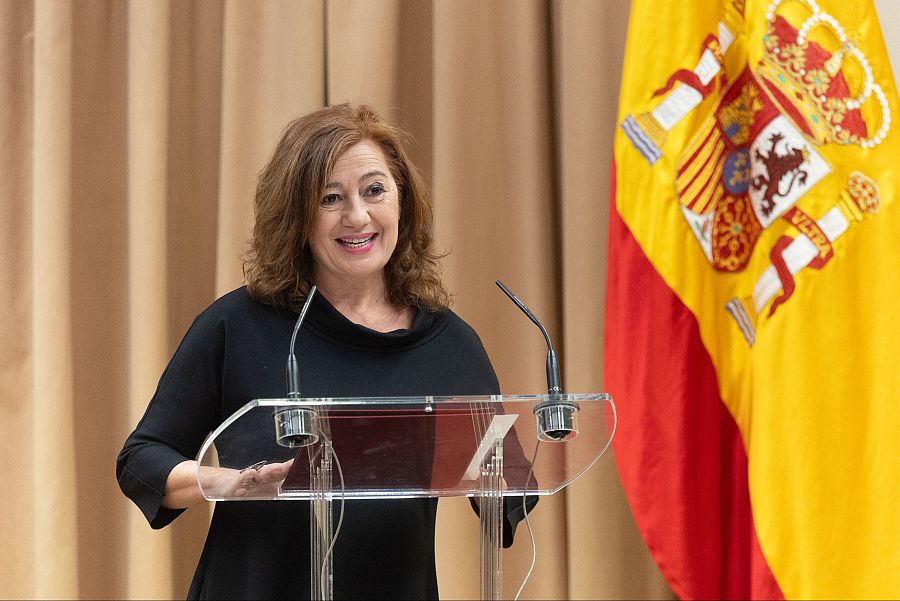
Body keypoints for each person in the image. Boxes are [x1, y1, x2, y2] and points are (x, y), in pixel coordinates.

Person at [116, 103, 535, 600]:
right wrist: (229, 483)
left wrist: (498, 477)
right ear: (297, 217)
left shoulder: (449, 344)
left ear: (403, 201)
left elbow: (511, 490)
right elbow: (141, 460)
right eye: (330, 198)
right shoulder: (238, 325)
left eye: (374, 190)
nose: (358, 216)